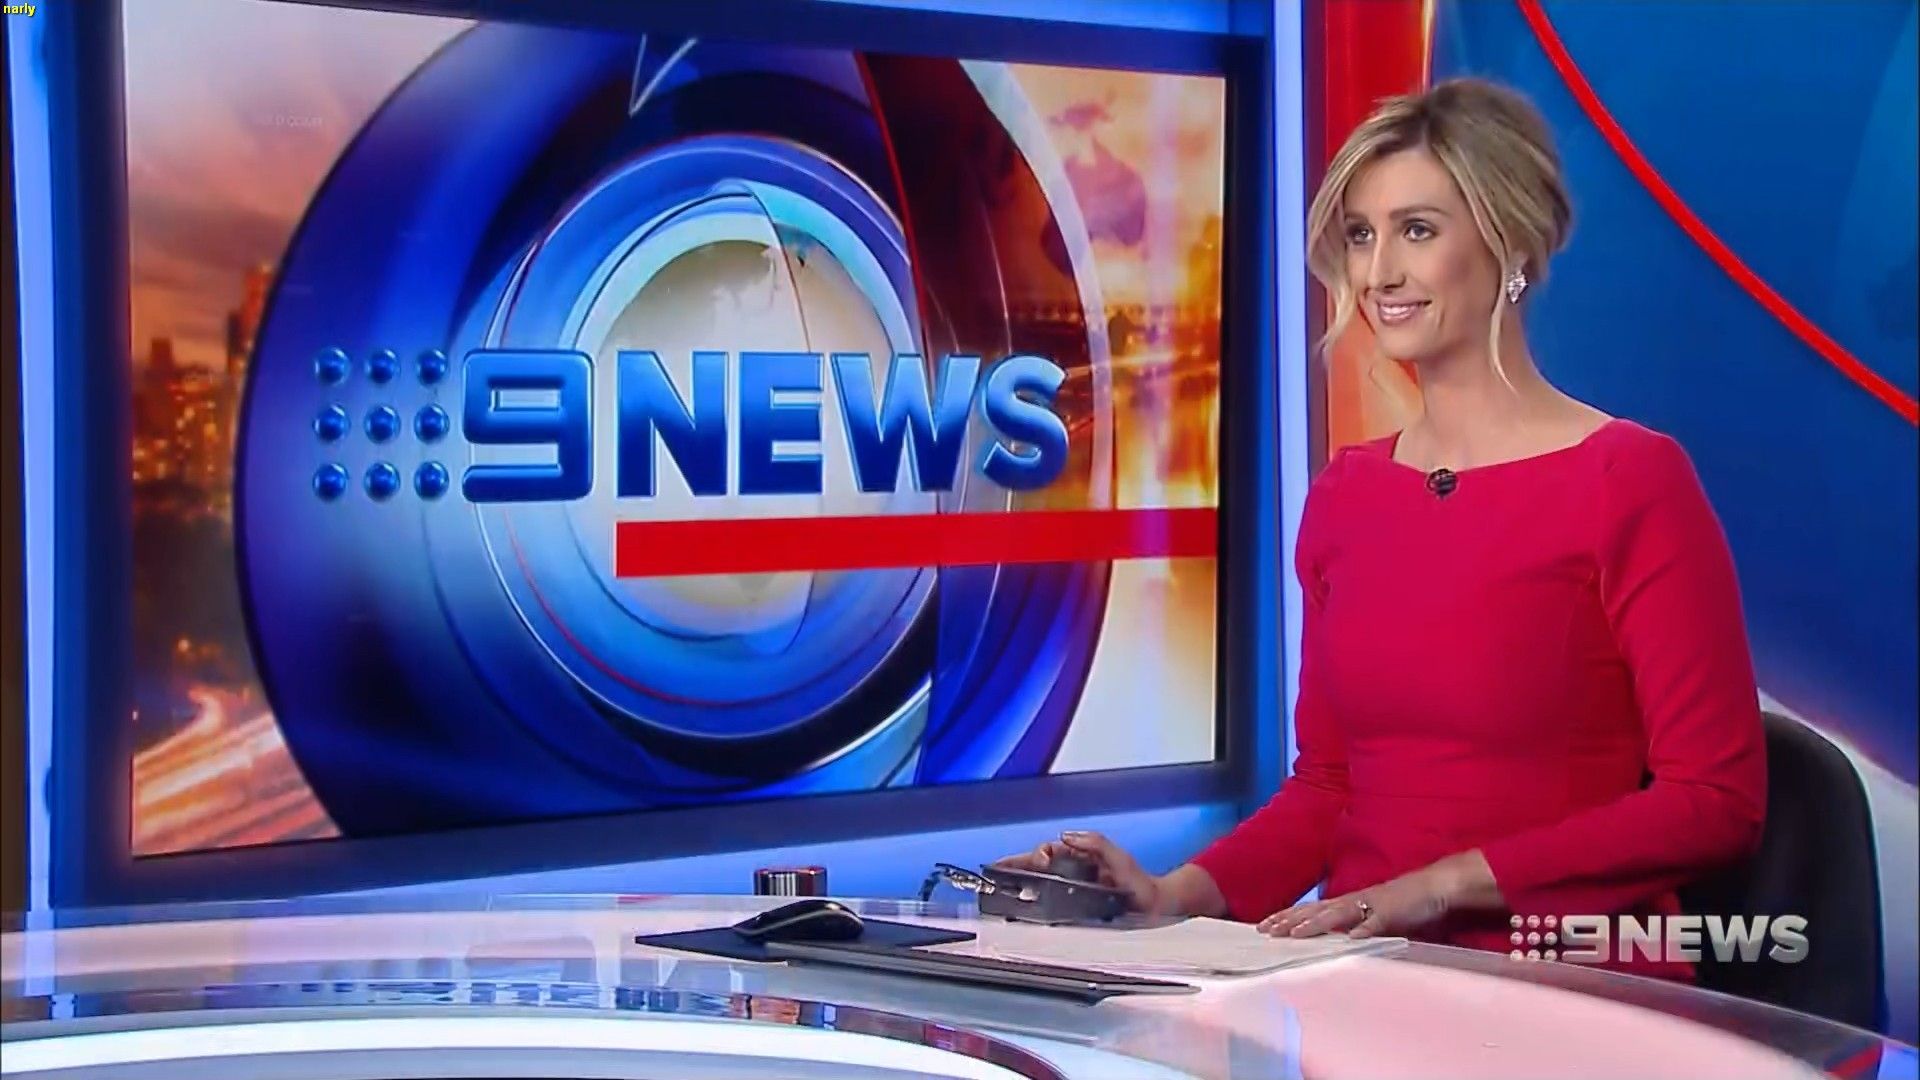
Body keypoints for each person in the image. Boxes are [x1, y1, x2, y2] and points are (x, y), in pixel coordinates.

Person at [1001, 78, 1766, 979]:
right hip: (1366, 978)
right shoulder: (1350, 493)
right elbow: (1330, 788)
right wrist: (1174, 895)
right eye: (1362, 236)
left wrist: (1444, 887)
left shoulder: (1629, 481)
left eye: (1418, 231)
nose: (1378, 274)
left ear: (1511, 244)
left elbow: (1714, 800)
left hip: (1565, 983)